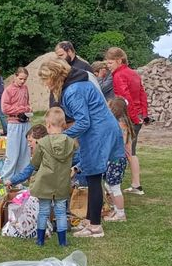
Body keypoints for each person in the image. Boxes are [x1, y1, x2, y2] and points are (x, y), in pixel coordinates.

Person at [38, 59, 123, 238]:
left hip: (98, 132)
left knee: (93, 177)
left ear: (54, 77)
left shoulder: (73, 90)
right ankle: (91, 220)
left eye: (46, 80)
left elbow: (84, 121)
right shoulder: (77, 83)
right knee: (93, 177)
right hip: (100, 129)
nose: (45, 84)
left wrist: (62, 137)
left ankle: (95, 227)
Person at [28, 108, 76, 246]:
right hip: (62, 182)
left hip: (45, 182)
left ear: (48, 125)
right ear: (63, 125)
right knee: (61, 212)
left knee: (43, 211)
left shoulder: (42, 143)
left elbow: (35, 163)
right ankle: (62, 242)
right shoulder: (70, 143)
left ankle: (40, 240)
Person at [105, 47, 149, 196]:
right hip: (136, 117)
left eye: (110, 62)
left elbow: (125, 99)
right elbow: (142, 94)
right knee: (132, 152)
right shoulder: (133, 73)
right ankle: (136, 184)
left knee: (122, 151)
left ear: (119, 60)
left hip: (128, 118)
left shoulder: (118, 76)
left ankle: (114, 184)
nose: (108, 65)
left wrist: (133, 117)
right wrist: (144, 114)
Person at [103, 97, 134, 222]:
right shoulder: (121, 123)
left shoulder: (119, 125)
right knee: (109, 185)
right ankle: (116, 210)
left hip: (116, 159)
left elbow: (118, 141)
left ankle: (120, 214)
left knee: (114, 187)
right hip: (114, 159)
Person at [0, 67, 32, 182]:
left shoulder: (25, 88)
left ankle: (20, 180)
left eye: (25, 79)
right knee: (12, 154)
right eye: (20, 78)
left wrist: (27, 110)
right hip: (14, 123)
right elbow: (4, 108)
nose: (22, 81)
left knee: (25, 153)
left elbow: (27, 104)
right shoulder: (8, 90)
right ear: (15, 76)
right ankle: (6, 179)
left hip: (25, 122)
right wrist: (20, 109)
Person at [50, 41, 103, 108]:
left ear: (69, 51)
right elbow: (54, 92)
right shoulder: (58, 69)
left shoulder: (85, 68)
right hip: (63, 110)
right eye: (58, 57)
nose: (59, 59)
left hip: (82, 109)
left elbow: (94, 91)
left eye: (61, 55)